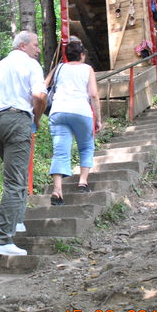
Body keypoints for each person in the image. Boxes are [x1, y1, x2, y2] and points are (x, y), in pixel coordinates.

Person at [0, 31, 47, 256]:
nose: (38, 50)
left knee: (15, 176)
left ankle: (17, 221)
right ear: (23, 46)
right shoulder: (30, 64)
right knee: (16, 181)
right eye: (36, 45)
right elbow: (39, 96)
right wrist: (35, 119)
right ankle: (1, 240)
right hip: (16, 120)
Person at [47, 40, 102, 204]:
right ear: (82, 55)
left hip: (58, 111)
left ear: (67, 55)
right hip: (81, 111)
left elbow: (44, 86)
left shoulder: (59, 68)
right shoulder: (87, 69)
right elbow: (93, 94)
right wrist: (98, 119)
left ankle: (57, 191)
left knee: (60, 151)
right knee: (86, 146)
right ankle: (82, 182)